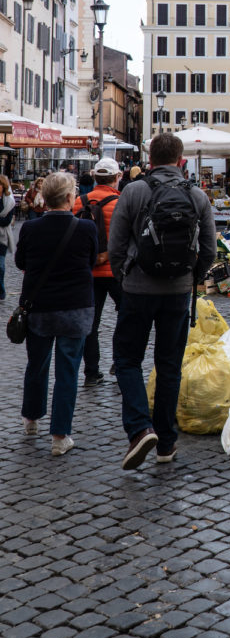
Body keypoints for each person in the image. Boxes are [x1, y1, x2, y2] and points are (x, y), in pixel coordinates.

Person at [108, 132, 217, 470]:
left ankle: (140, 427)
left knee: (127, 360)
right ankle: (166, 444)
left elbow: (116, 244)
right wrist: (192, 277)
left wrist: (124, 278)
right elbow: (210, 249)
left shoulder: (133, 191)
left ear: (149, 159)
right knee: (169, 366)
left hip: (138, 290)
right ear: (180, 160)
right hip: (178, 292)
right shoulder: (197, 196)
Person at [16, 171, 98, 456]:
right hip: (74, 308)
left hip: (39, 308)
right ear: (68, 198)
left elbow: (20, 261)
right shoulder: (86, 229)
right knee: (67, 372)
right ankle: (60, 435)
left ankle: (31, 418)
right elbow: (90, 260)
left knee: (36, 365)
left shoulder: (30, 228)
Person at [74, 157, 123, 387]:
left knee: (91, 324)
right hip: (116, 271)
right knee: (126, 318)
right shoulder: (121, 203)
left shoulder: (78, 202)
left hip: (87, 272)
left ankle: (91, 372)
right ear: (116, 178)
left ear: (95, 178)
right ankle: (120, 363)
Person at [0, 174, 16, 301]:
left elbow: (6, 221)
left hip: (3, 237)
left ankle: (1, 291)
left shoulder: (9, 201)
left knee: (0, 266)